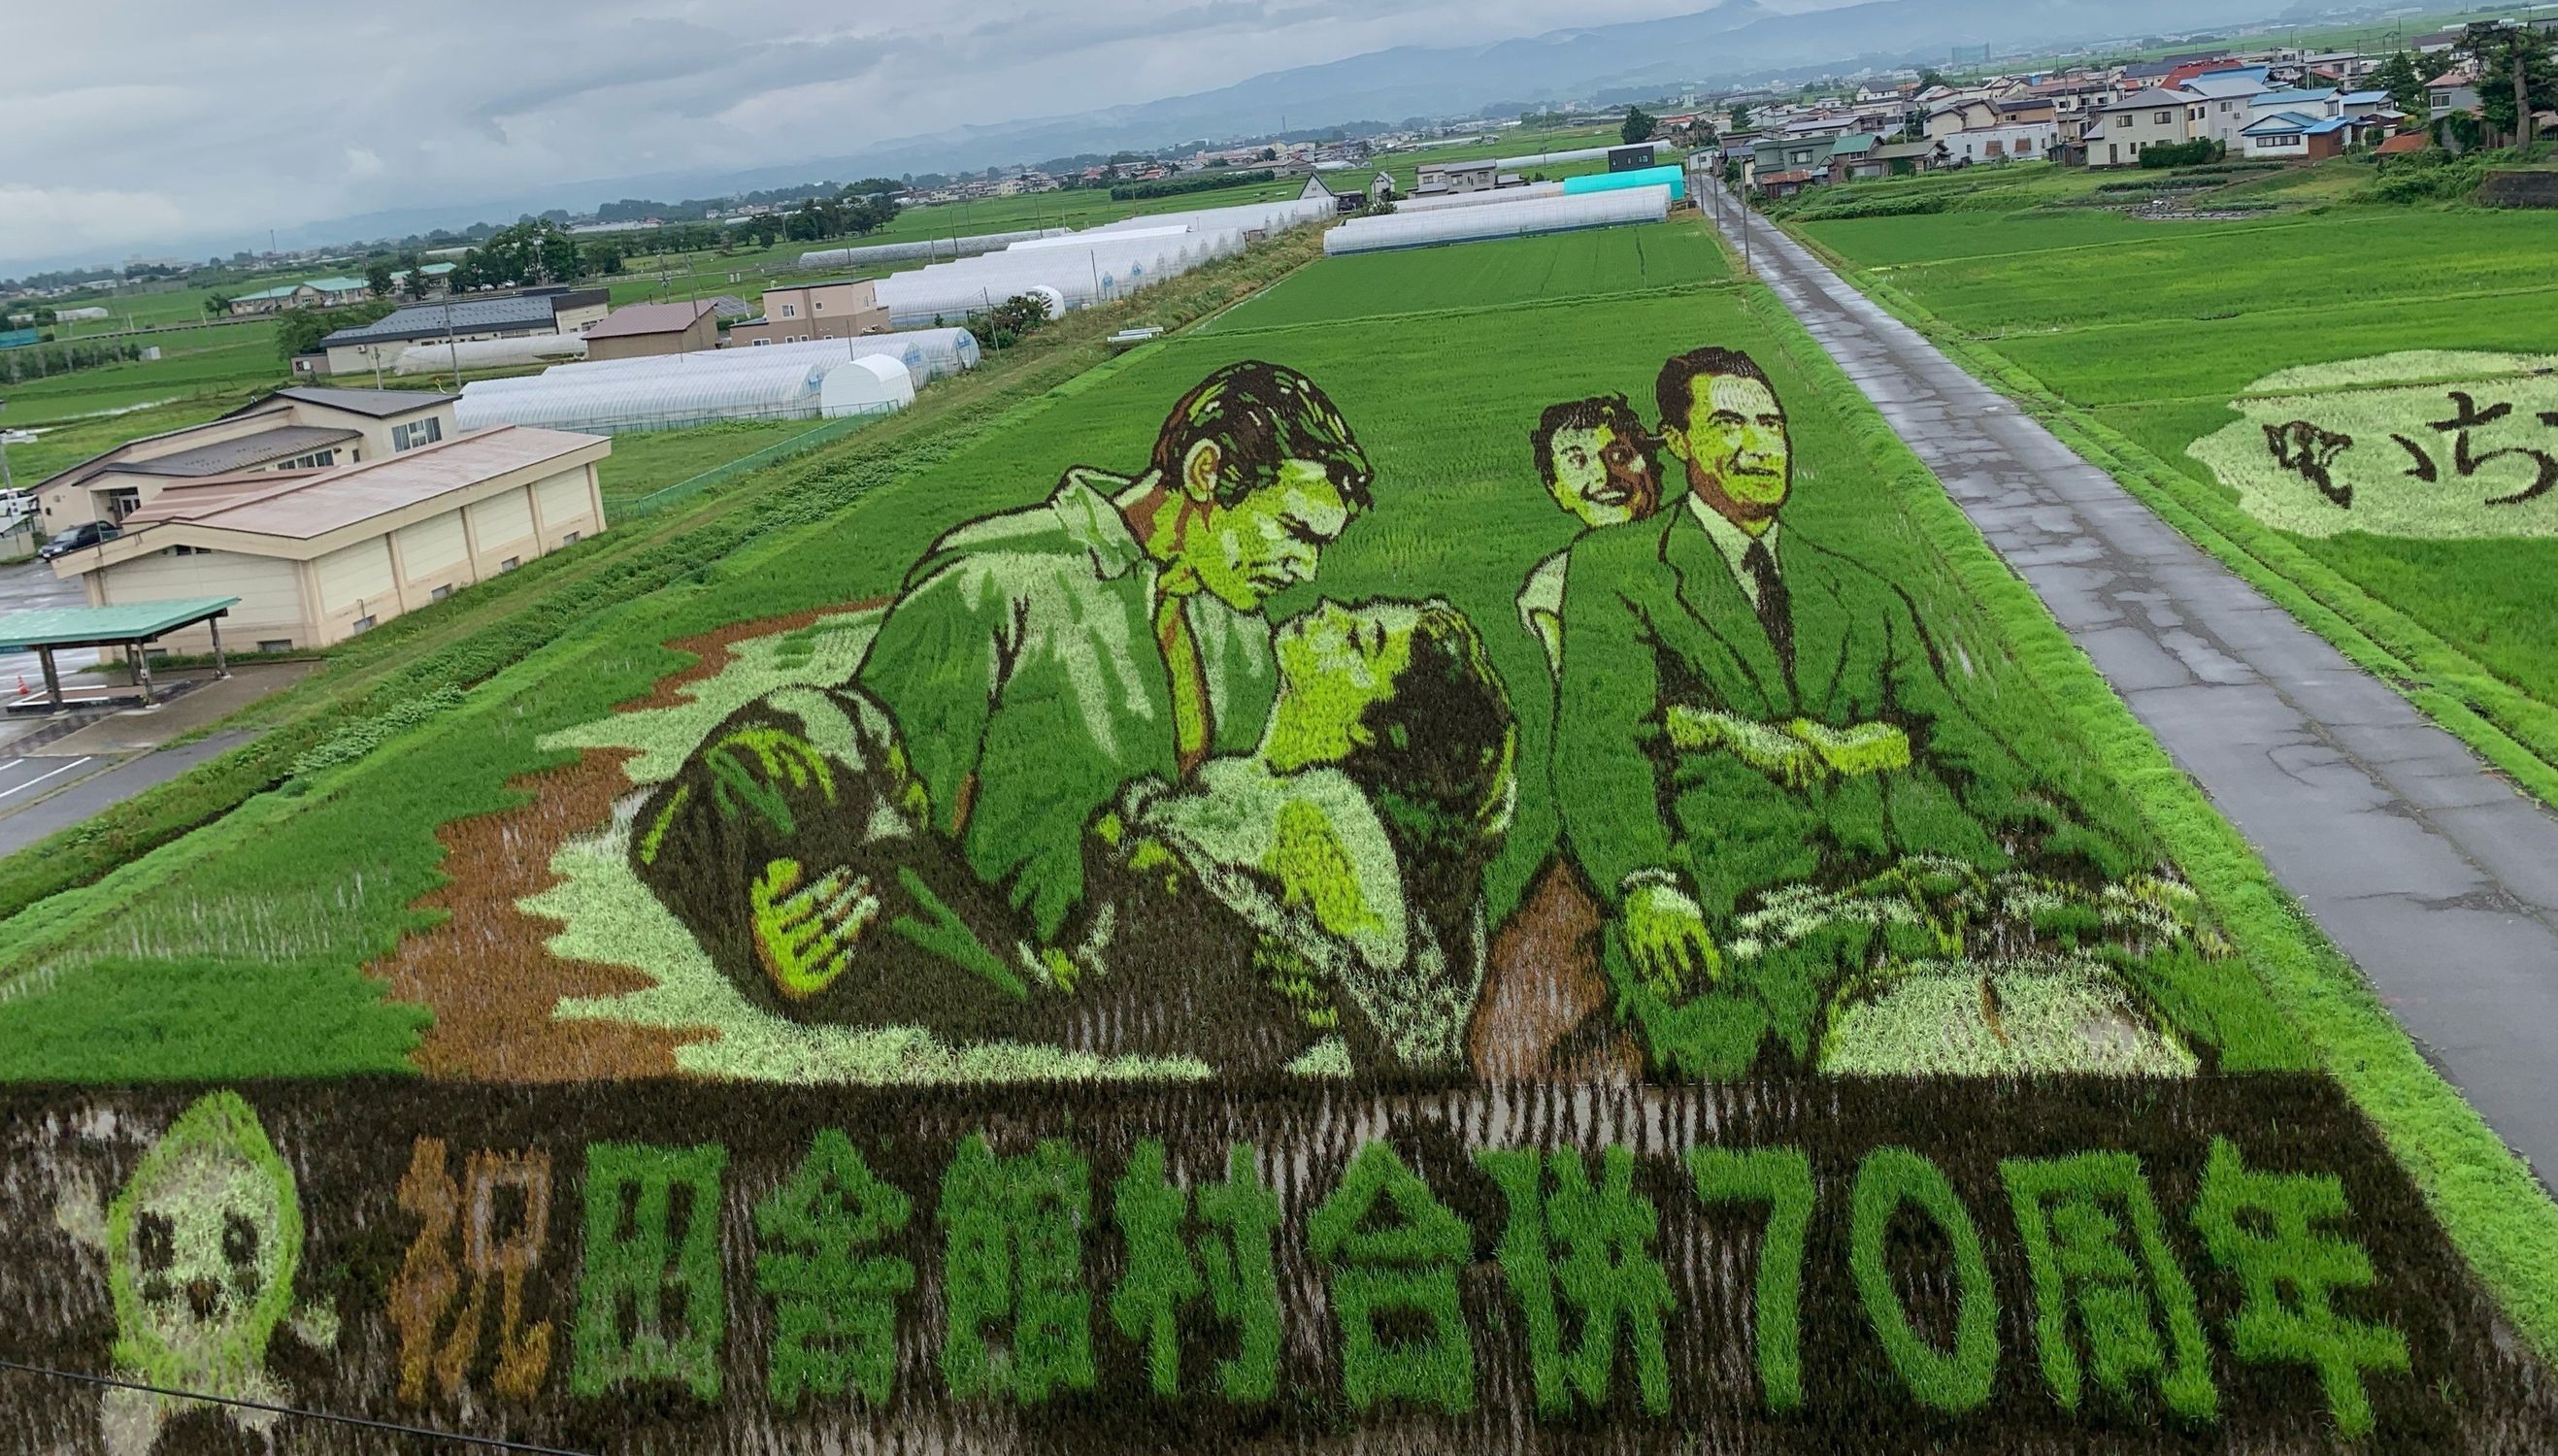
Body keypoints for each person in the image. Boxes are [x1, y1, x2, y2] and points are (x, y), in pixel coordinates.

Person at [1552, 347, 2143, 1077]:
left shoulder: (1861, 594)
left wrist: (2113, 868)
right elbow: (1603, 741)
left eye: (1771, 424)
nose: (1757, 445)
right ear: (1676, 443)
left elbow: (1964, 746)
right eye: (1728, 423)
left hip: (1901, 897)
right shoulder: (1622, 573)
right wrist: (1647, 886)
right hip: (1741, 913)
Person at [627, 599, 1517, 1077]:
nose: (1333, 607)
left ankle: (753, 929)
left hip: (1056, 1015)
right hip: (1056, 988)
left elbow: (1368, 1004)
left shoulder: (1329, 819)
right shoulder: (1277, 784)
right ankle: (752, 916)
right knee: (809, 758)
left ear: (1367, 735)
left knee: (781, 760)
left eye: (1361, 640)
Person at [847, 359, 1371, 944]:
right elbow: (880, 837)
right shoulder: (985, 583)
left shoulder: (1244, 635)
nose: (1307, 569)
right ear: (1206, 472)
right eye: (1294, 532)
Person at [1515, 394, 1668, 675]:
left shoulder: (1699, 539)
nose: (1603, 476)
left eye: (1619, 456)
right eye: (1577, 461)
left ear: (1650, 462)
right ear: (1557, 489)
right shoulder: (1553, 586)